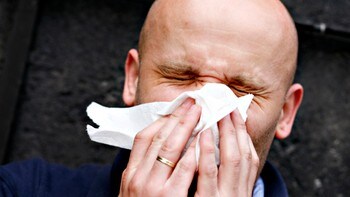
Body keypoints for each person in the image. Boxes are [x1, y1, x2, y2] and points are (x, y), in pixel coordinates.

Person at [0, 0, 303, 196]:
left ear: (285, 113)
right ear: (133, 79)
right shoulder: (23, 188)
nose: (202, 114)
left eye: (240, 91)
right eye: (181, 77)